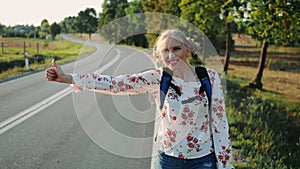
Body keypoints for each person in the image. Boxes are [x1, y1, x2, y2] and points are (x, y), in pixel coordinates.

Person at [45, 29, 234, 169]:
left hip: (203, 160)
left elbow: (220, 123)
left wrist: (225, 164)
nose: (170, 55)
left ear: (188, 50)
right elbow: (116, 84)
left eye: (176, 49)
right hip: (168, 160)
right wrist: (69, 78)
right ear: (159, 55)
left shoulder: (209, 78)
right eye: (165, 51)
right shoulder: (158, 78)